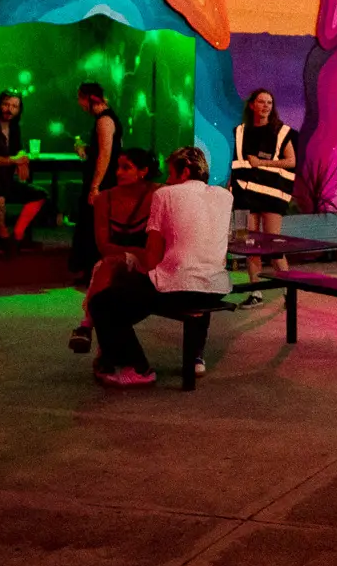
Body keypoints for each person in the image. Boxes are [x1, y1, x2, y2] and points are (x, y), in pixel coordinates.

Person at [86, 145, 234, 387]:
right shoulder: (225, 196)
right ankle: (195, 356)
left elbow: (152, 258)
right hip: (217, 287)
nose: (167, 180)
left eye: (171, 173)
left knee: (102, 302)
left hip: (178, 288)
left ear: (185, 172)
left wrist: (136, 266)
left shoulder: (165, 195)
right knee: (135, 296)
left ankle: (138, 368)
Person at [68, 148, 160, 353]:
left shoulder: (158, 195)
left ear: (143, 171)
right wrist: (136, 252)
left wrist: (143, 254)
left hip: (152, 264)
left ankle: (86, 326)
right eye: (117, 167)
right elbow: (103, 246)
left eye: (126, 168)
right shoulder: (105, 199)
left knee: (105, 269)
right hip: (122, 260)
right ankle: (92, 332)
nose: (118, 173)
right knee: (107, 265)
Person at [229, 89, 297, 305]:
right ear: (252, 105)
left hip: (271, 196)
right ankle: (255, 292)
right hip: (243, 195)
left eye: (269, 102)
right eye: (261, 102)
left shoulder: (281, 131)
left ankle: (289, 292)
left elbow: (291, 161)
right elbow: (236, 163)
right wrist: (230, 189)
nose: (266, 106)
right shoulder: (240, 131)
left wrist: (262, 163)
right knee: (249, 244)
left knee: (273, 246)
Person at [0, 90, 49, 255]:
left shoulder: (15, 128)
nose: (9, 109)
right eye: (6, 104)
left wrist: (22, 159)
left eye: (14, 106)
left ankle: (17, 236)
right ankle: (3, 237)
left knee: (40, 195)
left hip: (7, 181)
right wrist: (15, 160)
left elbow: (18, 150)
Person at [70, 81, 121, 283]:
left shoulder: (104, 120)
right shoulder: (107, 118)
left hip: (103, 182)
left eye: (80, 98)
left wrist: (95, 186)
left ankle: (93, 271)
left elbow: (105, 155)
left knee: (94, 225)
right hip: (103, 180)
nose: (79, 103)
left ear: (88, 99)